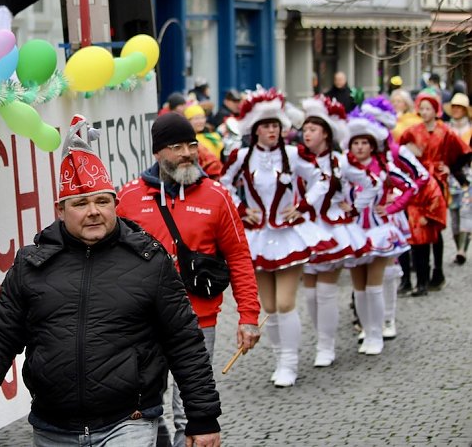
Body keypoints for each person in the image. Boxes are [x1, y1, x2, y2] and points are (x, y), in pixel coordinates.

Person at [0, 115, 222, 447]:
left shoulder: (150, 261)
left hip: (130, 421)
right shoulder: (31, 264)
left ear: (115, 205)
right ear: (60, 210)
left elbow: (184, 341)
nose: (93, 211)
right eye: (80, 203)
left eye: (102, 201)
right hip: (53, 426)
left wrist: (202, 418)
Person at [116, 112, 260, 447]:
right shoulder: (129, 198)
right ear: (157, 152)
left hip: (198, 323)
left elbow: (239, 256)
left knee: (191, 414)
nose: (187, 153)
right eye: (177, 146)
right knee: (143, 410)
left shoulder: (217, 195)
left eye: (191, 145)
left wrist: (249, 316)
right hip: (143, 324)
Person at [220, 88, 334, 387]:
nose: (272, 131)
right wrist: (241, 209)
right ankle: (278, 356)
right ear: (255, 130)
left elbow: (322, 179)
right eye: (266, 126)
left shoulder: (294, 155)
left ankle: (289, 363)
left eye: (276, 125)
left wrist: (303, 206)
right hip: (257, 237)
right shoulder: (241, 157)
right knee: (268, 307)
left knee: (285, 303)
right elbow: (223, 184)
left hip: (287, 235)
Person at [298, 96, 375, 367]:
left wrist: (354, 207)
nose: (307, 134)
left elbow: (371, 183)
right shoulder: (296, 159)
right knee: (309, 293)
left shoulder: (340, 160)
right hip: (306, 228)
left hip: (332, 227)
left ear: (326, 134)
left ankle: (326, 346)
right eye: (305, 129)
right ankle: (321, 339)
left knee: (325, 290)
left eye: (313, 129)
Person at [344, 110, 414, 355]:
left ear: (373, 146)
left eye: (365, 142)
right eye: (356, 143)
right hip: (353, 233)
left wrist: (391, 207)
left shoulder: (384, 168)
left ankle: (377, 333)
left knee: (374, 285)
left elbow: (410, 186)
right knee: (359, 288)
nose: (360, 147)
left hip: (378, 232)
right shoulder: (342, 168)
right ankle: (366, 330)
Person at [400, 92, 472, 294]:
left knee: (435, 225)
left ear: (435, 110)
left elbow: (464, 151)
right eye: (421, 108)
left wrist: (450, 167)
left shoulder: (445, 131)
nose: (424, 112)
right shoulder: (412, 131)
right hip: (417, 181)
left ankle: (437, 271)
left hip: (437, 182)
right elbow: (398, 150)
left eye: (428, 108)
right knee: (416, 223)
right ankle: (418, 271)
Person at [446, 93, 472, 265]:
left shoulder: (470, 129)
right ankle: (458, 248)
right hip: (450, 176)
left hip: (468, 175)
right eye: (454, 107)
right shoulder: (446, 129)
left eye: (459, 107)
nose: (456, 110)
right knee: (454, 212)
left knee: (466, 211)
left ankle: (462, 249)